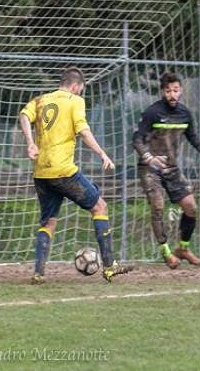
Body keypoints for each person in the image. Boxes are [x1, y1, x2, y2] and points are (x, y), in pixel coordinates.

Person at [19, 67, 132, 284]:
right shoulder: (75, 101)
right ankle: (109, 266)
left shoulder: (41, 100)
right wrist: (101, 153)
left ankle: (38, 273)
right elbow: (83, 130)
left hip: (41, 172)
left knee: (48, 222)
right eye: (80, 90)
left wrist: (30, 143)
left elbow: (24, 115)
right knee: (100, 207)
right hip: (63, 172)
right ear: (75, 86)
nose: (80, 94)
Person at [132, 72, 200, 268]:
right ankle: (166, 252)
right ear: (162, 92)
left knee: (191, 208)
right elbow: (137, 139)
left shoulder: (185, 113)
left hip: (172, 168)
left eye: (175, 90)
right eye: (168, 91)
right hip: (150, 168)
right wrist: (148, 157)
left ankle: (182, 248)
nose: (172, 95)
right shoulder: (152, 112)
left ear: (181, 90)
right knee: (157, 206)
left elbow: (193, 138)